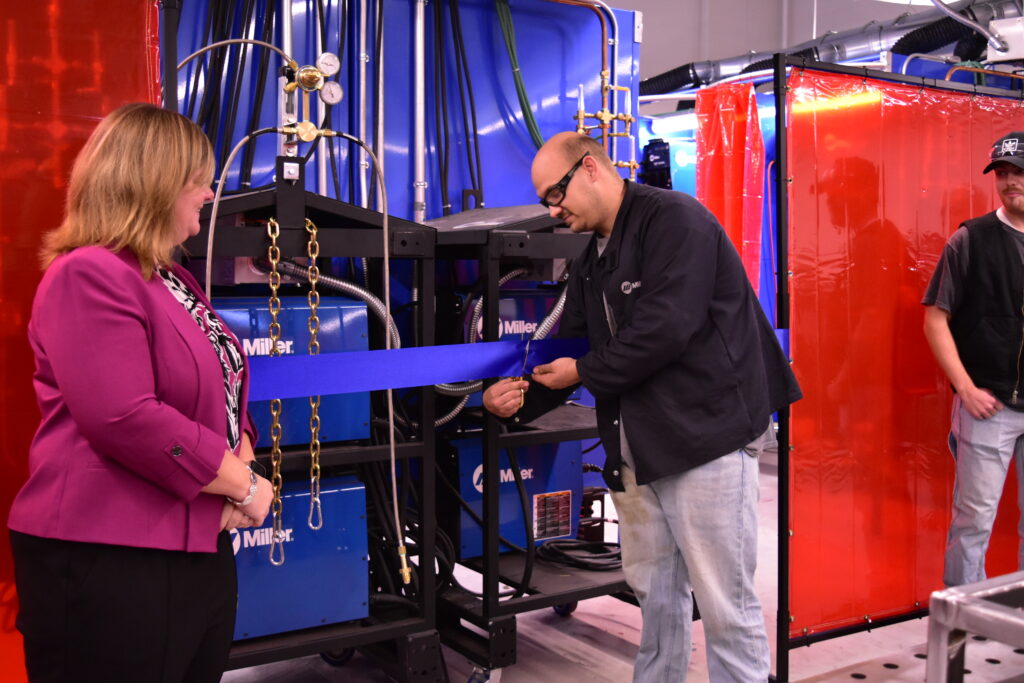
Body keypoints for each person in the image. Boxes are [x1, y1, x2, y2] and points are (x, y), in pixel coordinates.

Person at [483, 132, 802, 682]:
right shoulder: (589, 261)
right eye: (544, 202)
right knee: (657, 603)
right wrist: (515, 401)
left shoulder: (675, 221)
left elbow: (665, 328)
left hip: (707, 440)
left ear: (590, 169)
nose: (552, 210)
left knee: (726, 606)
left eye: (555, 195)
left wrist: (581, 371)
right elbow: (580, 350)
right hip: (637, 450)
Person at [6, 103, 273, 683]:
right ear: (153, 183)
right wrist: (244, 484)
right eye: (198, 180)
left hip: (198, 546)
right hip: (108, 559)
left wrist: (242, 457)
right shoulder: (89, 273)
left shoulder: (172, 279)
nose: (208, 194)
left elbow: (223, 383)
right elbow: (124, 417)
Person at [923, 131, 1024, 587]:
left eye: (1019, 172)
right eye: (1002, 173)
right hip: (990, 407)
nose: (1009, 182)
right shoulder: (970, 240)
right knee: (973, 523)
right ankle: (962, 627)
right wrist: (966, 388)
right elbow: (935, 319)